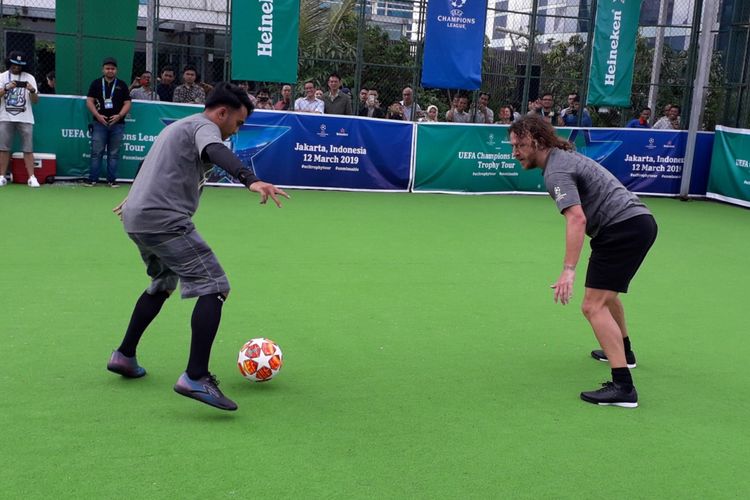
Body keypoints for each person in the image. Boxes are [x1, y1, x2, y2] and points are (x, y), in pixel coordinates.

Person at [107, 82, 289, 412]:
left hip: (138, 216)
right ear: (222, 113)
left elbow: (149, 166)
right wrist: (251, 179)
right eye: (238, 122)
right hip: (164, 219)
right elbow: (215, 152)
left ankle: (124, 355)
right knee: (214, 285)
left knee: (163, 283)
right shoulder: (206, 128)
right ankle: (196, 376)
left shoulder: (179, 126)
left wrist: (135, 200)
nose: (236, 130)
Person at [508, 115, 657, 408]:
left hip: (622, 229)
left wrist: (568, 271)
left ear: (537, 141)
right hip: (635, 224)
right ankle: (624, 353)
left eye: (520, 145)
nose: (515, 153)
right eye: (513, 146)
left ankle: (623, 387)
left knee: (592, 305)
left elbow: (577, 218)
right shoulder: (562, 158)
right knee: (606, 294)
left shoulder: (556, 172)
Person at [84, 57, 131, 187]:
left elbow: (127, 103)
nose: (110, 70)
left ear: (116, 70)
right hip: (99, 123)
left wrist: (120, 115)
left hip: (118, 124)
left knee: (114, 153)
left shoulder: (122, 85)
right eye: (107, 68)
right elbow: (89, 101)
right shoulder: (96, 83)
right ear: (103, 69)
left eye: (113, 68)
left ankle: (112, 180)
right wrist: (97, 115)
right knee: (96, 152)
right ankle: (93, 179)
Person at [0, 51, 40, 188]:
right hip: (5, 116)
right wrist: (6, 88)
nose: (16, 67)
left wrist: (32, 91)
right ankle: (1, 176)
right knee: (4, 147)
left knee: (28, 148)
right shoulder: (2, 77)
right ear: (9, 63)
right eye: (14, 64)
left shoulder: (29, 77)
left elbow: (35, 101)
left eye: (19, 65)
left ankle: (32, 177)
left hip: (26, 117)